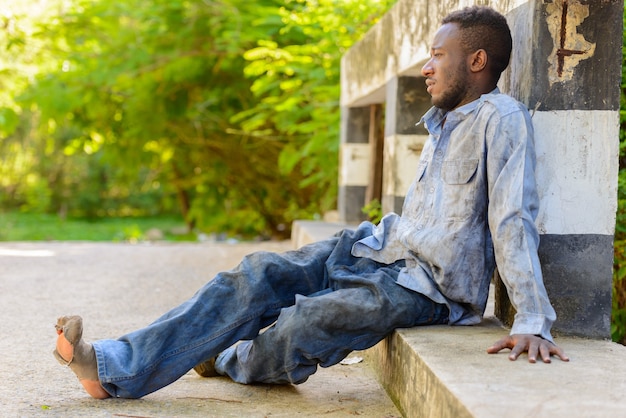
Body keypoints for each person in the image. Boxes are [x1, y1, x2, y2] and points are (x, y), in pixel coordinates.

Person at [54, 5, 569, 400]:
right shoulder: (442, 120)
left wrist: (531, 318)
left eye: (438, 55)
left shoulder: (501, 119)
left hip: (427, 290)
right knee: (253, 276)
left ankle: (227, 356)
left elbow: (512, 218)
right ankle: (109, 367)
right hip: (376, 248)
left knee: (305, 322)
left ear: (477, 61)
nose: (427, 68)